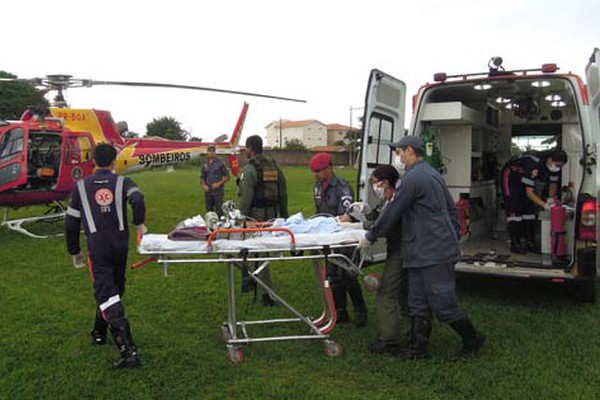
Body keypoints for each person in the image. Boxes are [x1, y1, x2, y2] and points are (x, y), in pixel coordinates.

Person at [360, 135, 485, 360]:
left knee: (442, 302)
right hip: (419, 250)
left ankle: (473, 339)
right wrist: (452, 235)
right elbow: (451, 210)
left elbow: (393, 211)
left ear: (409, 150)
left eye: (399, 152)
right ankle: (418, 347)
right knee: (417, 301)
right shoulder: (432, 174)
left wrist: (371, 235)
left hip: (433, 251)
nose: (397, 157)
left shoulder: (413, 178)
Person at [65, 143, 146, 369]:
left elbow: (71, 223)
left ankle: (128, 350)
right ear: (113, 163)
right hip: (120, 246)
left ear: (93, 161)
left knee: (107, 293)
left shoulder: (81, 187)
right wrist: (139, 223)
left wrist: (75, 251)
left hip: (98, 247)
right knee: (113, 290)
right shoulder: (122, 182)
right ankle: (99, 332)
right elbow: (138, 198)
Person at [310, 152, 368, 327]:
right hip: (328, 237)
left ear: (328, 168)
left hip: (343, 237)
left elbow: (348, 214)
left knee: (347, 274)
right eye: (314, 171)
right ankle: (340, 312)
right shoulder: (318, 187)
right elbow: (319, 210)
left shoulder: (342, 187)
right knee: (333, 276)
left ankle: (360, 310)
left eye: (318, 171)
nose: (315, 174)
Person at [361, 164, 409, 352]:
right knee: (405, 292)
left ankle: (390, 340)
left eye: (375, 183)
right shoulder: (389, 200)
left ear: (386, 182)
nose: (374, 186)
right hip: (400, 249)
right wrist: (365, 211)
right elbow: (376, 217)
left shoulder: (397, 201)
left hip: (401, 250)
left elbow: (385, 224)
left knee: (386, 293)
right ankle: (412, 330)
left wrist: (369, 236)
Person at [237, 135, 288, 306]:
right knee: (261, 252)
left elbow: (245, 198)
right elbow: (283, 194)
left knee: (256, 251)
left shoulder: (249, 170)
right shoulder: (274, 166)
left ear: (250, 148)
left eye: (246, 147)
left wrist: (240, 220)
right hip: (272, 215)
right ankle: (255, 281)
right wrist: (284, 217)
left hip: (255, 217)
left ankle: (265, 292)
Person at [501, 150, 568, 254]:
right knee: (515, 208)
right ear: (550, 160)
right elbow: (529, 193)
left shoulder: (554, 168)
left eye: (560, 166)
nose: (558, 168)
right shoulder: (534, 164)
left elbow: (553, 185)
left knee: (529, 211)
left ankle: (530, 242)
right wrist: (545, 205)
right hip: (512, 177)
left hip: (525, 179)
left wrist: (551, 199)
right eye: (557, 165)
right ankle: (515, 244)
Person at [201, 144, 229, 217]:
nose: (211, 152)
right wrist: (204, 186)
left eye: (213, 151)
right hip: (208, 192)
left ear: (215, 152)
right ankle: (211, 226)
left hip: (218, 192)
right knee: (209, 211)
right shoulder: (204, 163)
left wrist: (218, 184)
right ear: (207, 152)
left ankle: (220, 226)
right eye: (209, 151)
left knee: (219, 211)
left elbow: (227, 176)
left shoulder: (220, 163)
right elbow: (202, 177)